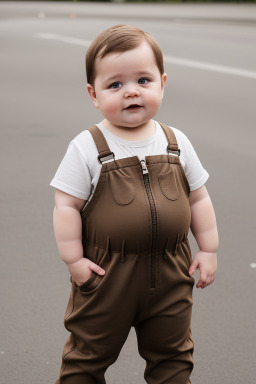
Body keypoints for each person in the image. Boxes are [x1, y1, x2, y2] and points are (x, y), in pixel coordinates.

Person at [50, 24, 218, 384]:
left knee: (173, 357)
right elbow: (65, 206)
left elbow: (198, 197)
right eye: (115, 85)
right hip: (108, 274)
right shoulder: (87, 146)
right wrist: (74, 259)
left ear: (162, 82)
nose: (131, 93)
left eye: (143, 80)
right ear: (94, 95)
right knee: (88, 356)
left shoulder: (176, 142)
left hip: (172, 270)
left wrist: (208, 248)